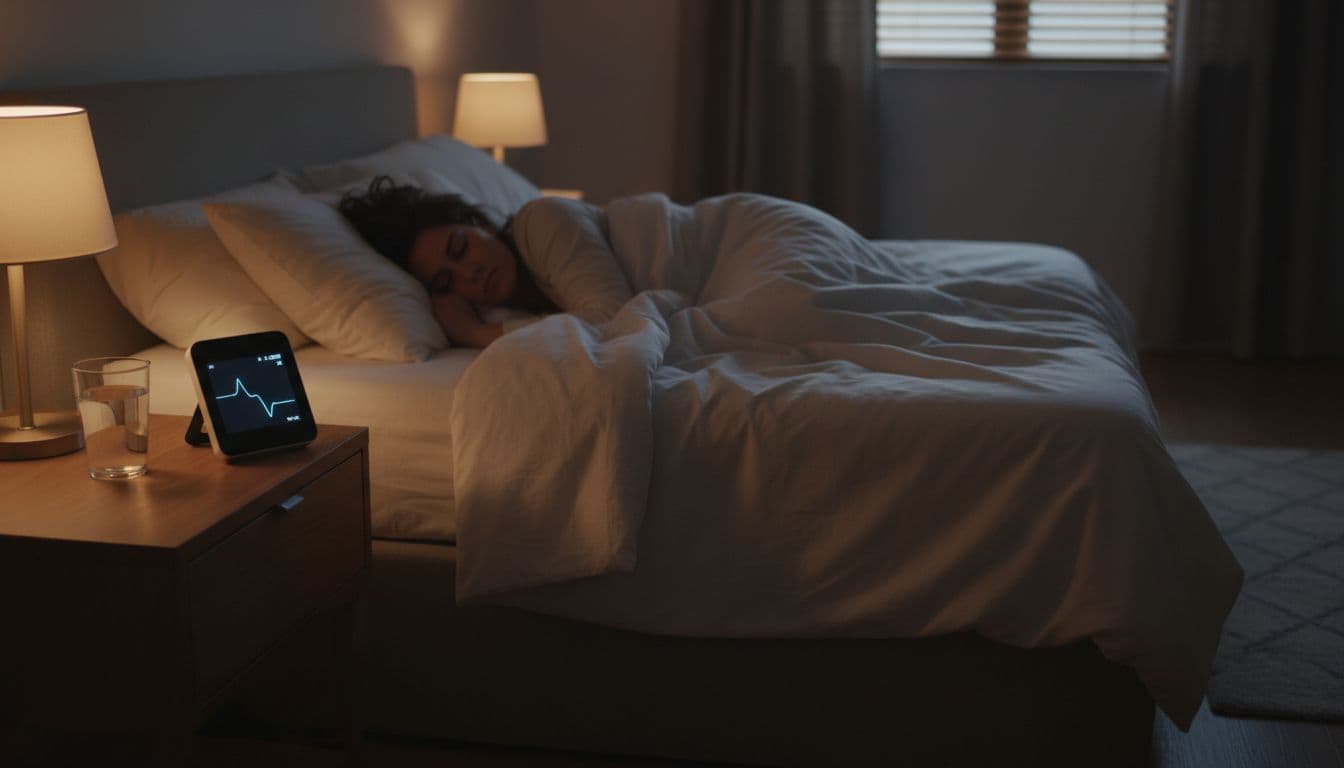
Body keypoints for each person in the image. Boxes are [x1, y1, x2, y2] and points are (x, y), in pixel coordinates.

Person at [339, 176, 556, 347]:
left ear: (479, 224)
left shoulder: (545, 226)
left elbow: (589, 330)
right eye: (445, 281)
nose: (469, 273)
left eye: (460, 248)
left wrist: (474, 334)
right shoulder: (503, 314)